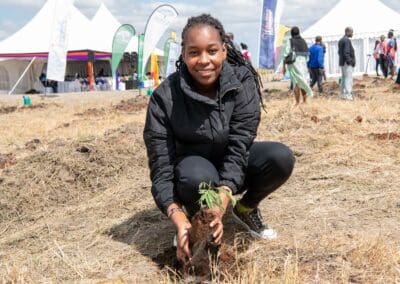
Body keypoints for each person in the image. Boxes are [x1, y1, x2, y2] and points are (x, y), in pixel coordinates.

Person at [143, 14, 295, 264]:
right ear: (183, 54)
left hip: (231, 166)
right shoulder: (164, 98)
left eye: (212, 51)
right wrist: (177, 217)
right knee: (198, 178)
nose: (204, 61)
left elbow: (239, 147)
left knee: (280, 158)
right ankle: (197, 219)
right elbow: (161, 167)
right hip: (194, 171)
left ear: (224, 51)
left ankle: (245, 209)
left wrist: (223, 198)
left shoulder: (242, 82)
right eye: (194, 53)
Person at [282, 26, 313, 105]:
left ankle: (297, 102)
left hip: (294, 63)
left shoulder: (291, 41)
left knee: (296, 82)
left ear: (292, 33)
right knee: (303, 80)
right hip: (303, 64)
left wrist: (284, 66)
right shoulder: (303, 41)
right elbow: (307, 54)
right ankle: (305, 100)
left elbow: (286, 53)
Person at [338, 27, 355, 100]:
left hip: (342, 62)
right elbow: (346, 52)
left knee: (344, 78)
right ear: (347, 32)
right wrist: (349, 61)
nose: (352, 34)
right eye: (351, 32)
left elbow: (339, 52)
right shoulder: (346, 40)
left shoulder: (341, 40)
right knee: (348, 78)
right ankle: (348, 95)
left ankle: (343, 94)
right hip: (346, 63)